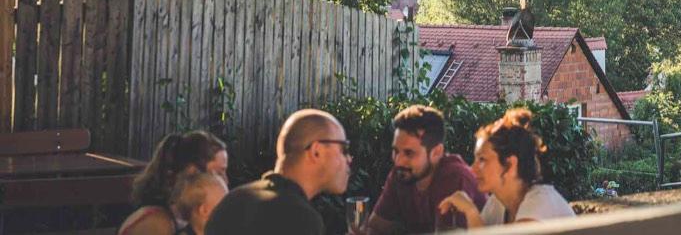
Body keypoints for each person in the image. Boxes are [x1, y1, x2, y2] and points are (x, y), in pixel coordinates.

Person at [206, 109, 352, 235]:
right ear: (316, 152)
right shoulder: (297, 217)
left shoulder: (233, 200)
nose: (349, 158)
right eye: (343, 149)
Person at [359, 105, 485, 234]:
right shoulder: (403, 173)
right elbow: (375, 226)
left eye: (409, 153)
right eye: (396, 151)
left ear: (436, 152)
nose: (398, 161)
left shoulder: (454, 177)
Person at [438, 109, 575, 227]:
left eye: (482, 160)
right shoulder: (497, 203)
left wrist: (471, 212)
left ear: (510, 165)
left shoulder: (541, 202)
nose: (472, 169)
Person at [119, 131, 228, 235]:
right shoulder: (156, 222)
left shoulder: (184, 220)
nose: (226, 180)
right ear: (192, 171)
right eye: (219, 173)